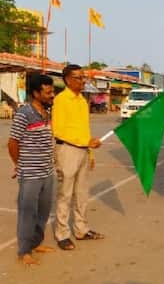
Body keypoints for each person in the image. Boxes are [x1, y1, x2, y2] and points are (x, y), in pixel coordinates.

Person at [52, 64, 104, 251]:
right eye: (78, 78)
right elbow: (59, 131)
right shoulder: (61, 100)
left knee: (82, 194)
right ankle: (62, 234)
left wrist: (90, 150)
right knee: (65, 194)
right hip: (67, 150)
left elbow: (83, 128)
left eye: (83, 78)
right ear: (67, 80)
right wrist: (85, 141)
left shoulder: (82, 100)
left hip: (83, 150)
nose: (82, 81)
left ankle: (81, 229)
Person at [8, 74, 56, 266]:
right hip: (30, 173)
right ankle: (24, 251)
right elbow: (12, 142)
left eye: (52, 91)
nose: (52, 95)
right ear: (36, 93)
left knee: (43, 212)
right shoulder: (24, 113)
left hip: (47, 172)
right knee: (27, 213)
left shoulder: (47, 112)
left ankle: (36, 243)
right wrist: (18, 164)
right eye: (48, 92)